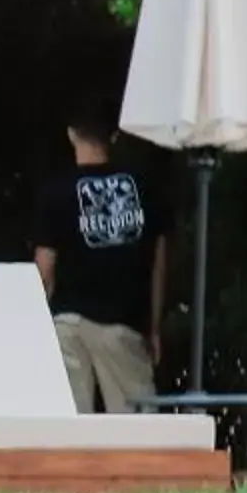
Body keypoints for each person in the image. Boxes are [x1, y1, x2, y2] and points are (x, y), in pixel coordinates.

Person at [34, 110, 169, 412]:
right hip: (123, 325)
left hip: (68, 323)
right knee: (138, 431)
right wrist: (155, 327)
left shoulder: (56, 192)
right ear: (114, 136)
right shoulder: (143, 186)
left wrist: (37, 332)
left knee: (69, 426)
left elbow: (44, 271)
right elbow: (158, 264)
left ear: (71, 134)